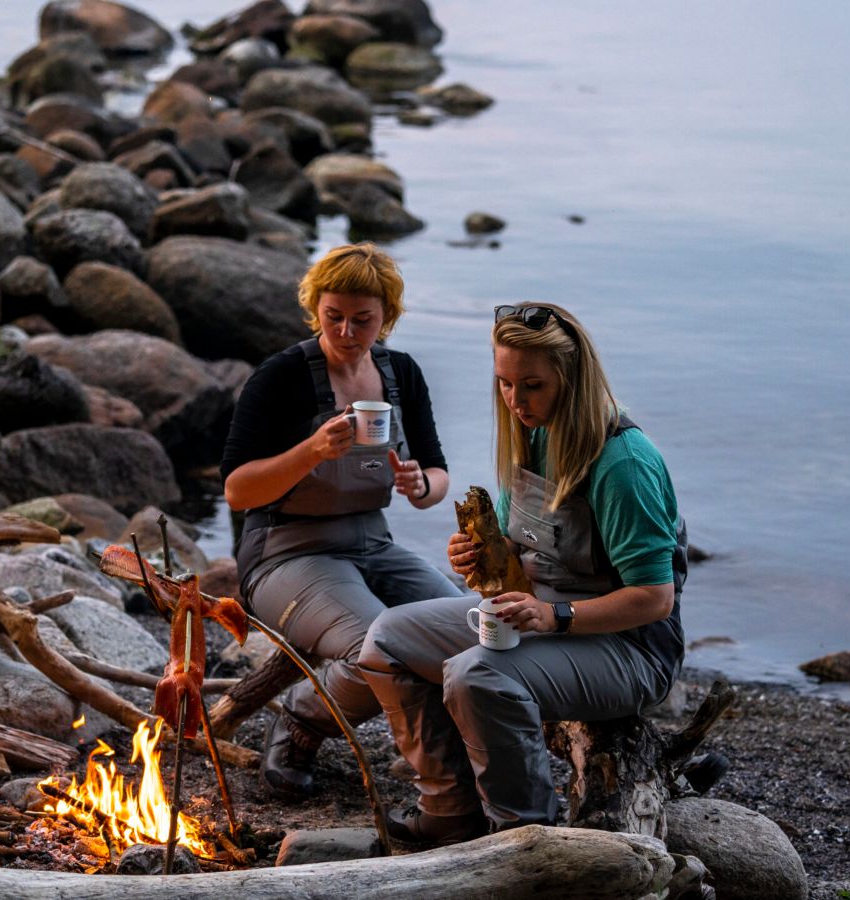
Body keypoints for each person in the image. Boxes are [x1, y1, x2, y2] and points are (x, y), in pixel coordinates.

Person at [358, 302, 688, 843]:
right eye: (505, 384)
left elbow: (655, 598)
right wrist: (477, 555)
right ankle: (450, 811)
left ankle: (526, 834)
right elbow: (520, 543)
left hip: (629, 646)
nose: (516, 401)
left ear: (572, 377)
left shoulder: (622, 463)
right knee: (386, 638)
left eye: (532, 385)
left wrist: (552, 615)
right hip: (539, 612)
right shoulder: (532, 433)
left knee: (476, 674)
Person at [221, 243, 458, 801]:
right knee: (378, 647)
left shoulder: (401, 374)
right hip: (285, 552)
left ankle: (454, 745)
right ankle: (303, 721)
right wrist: (311, 452)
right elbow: (236, 490)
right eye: (334, 317)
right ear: (315, 309)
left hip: (373, 544)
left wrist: (421, 486)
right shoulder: (281, 377)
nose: (347, 331)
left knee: (466, 628)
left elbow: (437, 473)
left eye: (363, 320)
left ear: (387, 317)